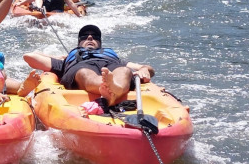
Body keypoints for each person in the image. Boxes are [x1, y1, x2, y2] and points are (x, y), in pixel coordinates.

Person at [24, 25, 155, 106]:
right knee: (84, 73)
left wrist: (145, 69)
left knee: (125, 71)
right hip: (81, 67)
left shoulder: (114, 57)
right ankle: (107, 86)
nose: (90, 38)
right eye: (85, 36)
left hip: (111, 66)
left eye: (95, 37)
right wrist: (57, 58)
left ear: (100, 43)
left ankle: (114, 88)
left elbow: (147, 68)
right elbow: (30, 57)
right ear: (79, 42)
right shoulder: (68, 60)